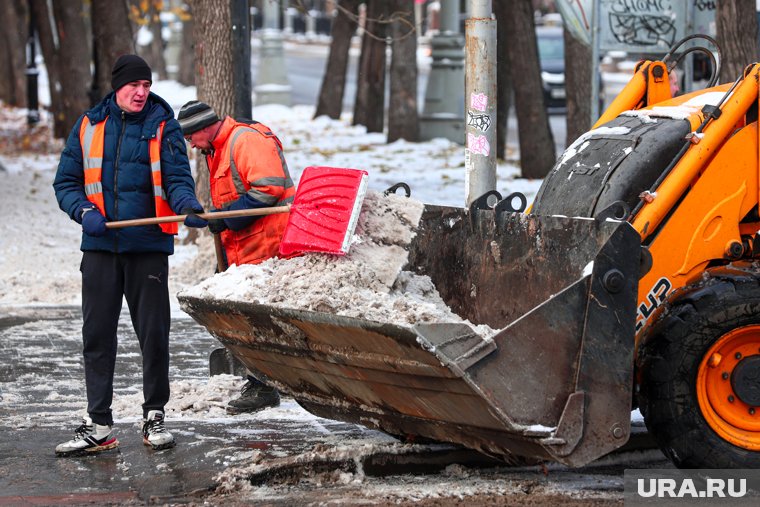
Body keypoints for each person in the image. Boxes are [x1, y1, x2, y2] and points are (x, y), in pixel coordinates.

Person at [53, 55, 208, 456]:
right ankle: (99, 424)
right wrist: (83, 211)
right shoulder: (89, 125)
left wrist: (187, 203)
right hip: (101, 249)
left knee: (154, 335)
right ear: (117, 86)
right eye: (133, 86)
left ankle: (154, 414)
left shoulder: (163, 125)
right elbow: (66, 182)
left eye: (146, 84)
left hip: (148, 249)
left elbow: (176, 178)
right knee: (97, 337)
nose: (141, 92)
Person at [177, 100, 295, 414]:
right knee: (249, 317)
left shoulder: (244, 140)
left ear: (203, 128)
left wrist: (224, 217)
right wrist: (213, 218)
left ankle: (264, 386)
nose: (190, 143)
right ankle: (262, 379)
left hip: (267, 244)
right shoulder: (217, 147)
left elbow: (267, 190)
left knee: (257, 318)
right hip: (246, 246)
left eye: (191, 136)